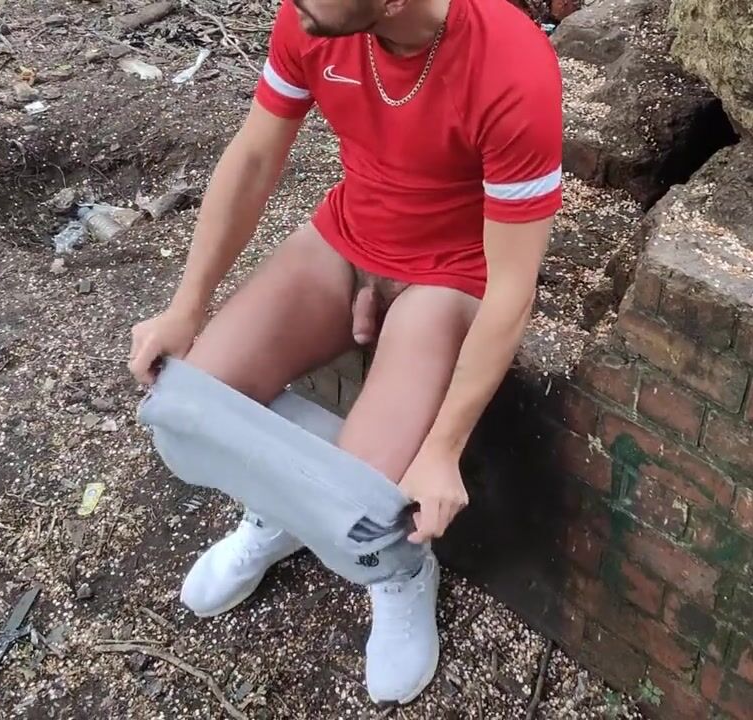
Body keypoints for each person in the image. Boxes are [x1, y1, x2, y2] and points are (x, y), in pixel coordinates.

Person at [126, 0, 562, 705]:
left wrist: (443, 448)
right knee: (195, 400)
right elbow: (255, 156)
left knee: (361, 499)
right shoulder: (313, 19)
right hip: (347, 238)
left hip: (448, 276)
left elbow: (514, 288)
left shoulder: (510, 67)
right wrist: (187, 307)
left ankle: (402, 575)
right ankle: (280, 513)